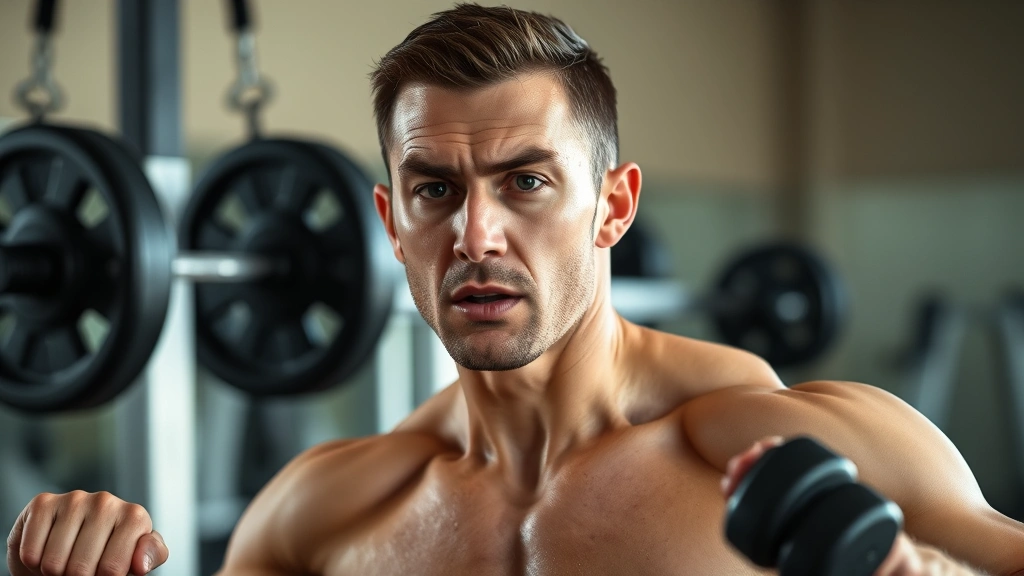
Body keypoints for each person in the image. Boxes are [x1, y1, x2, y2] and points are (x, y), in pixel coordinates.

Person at [8, 4, 1024, 575]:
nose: (474, 235)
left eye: (526, 183)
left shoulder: (808, 443)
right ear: (390, 222)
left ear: (613, 207)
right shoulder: (322, 514)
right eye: (435, 190)